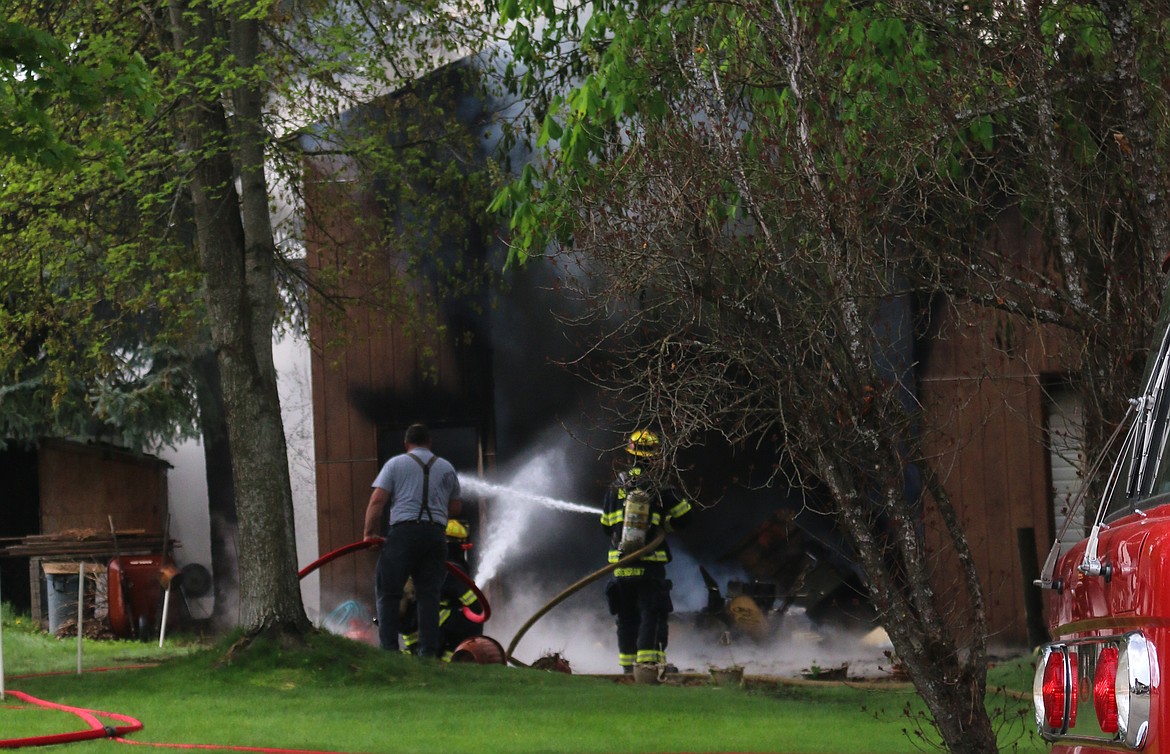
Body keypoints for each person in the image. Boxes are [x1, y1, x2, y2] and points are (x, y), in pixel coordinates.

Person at [363, 423, 462, 657]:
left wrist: (369, 534)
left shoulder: (396, 464)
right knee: (429, 596)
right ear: (429, 443)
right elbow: (456, 507)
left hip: (403, 534)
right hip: (435, 537)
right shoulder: (447, 468)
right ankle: (428, 653)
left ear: (406, 444)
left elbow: (377, 500)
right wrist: (434, 515)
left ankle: (388, 650)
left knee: (389, 592)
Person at [600, 429, 694, 674]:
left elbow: (605, 526)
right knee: (651, 613)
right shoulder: (659, 485)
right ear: (654, 457)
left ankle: (629, 670)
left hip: (620, 566)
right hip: (649, 565)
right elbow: (686, 517)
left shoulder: (615, 486)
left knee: (626, 617)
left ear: (630, 455)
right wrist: (664, 523)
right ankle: (649, 667)